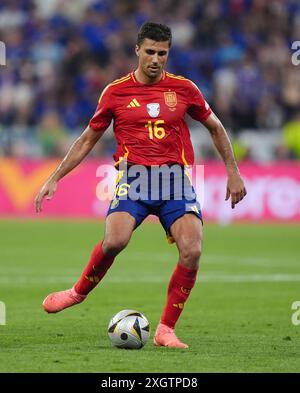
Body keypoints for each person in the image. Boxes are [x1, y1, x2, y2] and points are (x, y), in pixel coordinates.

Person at [34, 22, 247, 349]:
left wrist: (233, 172)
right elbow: (88, 138)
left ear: (168, 53)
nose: (156, 59)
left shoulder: (184, 89)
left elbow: (216, 128)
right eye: (150, 51)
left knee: (192, 250)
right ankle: (77, 292)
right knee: (115, 241)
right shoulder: (115, 92)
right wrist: (55, 177)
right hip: (134, 178)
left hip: (174, 179)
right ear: (137, 50)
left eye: (162, 53)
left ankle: (166, 330)